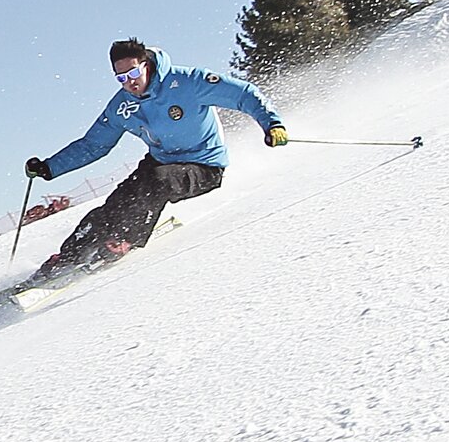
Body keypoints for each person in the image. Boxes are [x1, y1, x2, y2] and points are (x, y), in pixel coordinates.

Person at [21, 37, 286, 286]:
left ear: (146, 64)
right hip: (160, 162)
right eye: (121, 78)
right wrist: (49, 167)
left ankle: (124, 239)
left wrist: (272, 124)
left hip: (204, 166)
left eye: (133, 73)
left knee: (157, 183)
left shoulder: (187, 82)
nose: (129, 82)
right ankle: (68, 256)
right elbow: (94, 145)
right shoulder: (122, 105)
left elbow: (243, 94)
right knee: (115, 204)